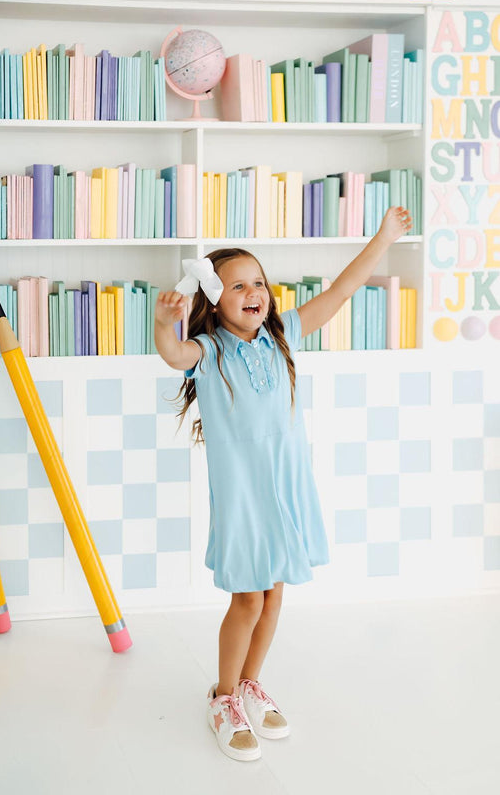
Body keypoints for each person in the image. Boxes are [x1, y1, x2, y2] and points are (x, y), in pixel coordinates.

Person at [154, 206, 413, 762]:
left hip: (287, 488)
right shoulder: (209, 351)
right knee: (247, 597)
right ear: (213, 299)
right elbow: (173, 352)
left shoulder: (283, 335)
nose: (255, 292)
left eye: (260, 282)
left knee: (274, 595)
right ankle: (223, 698)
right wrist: (162, 323)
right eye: (238, 285)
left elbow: (341, 292)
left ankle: (250, 683)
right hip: (245, 497)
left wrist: (384, 236)